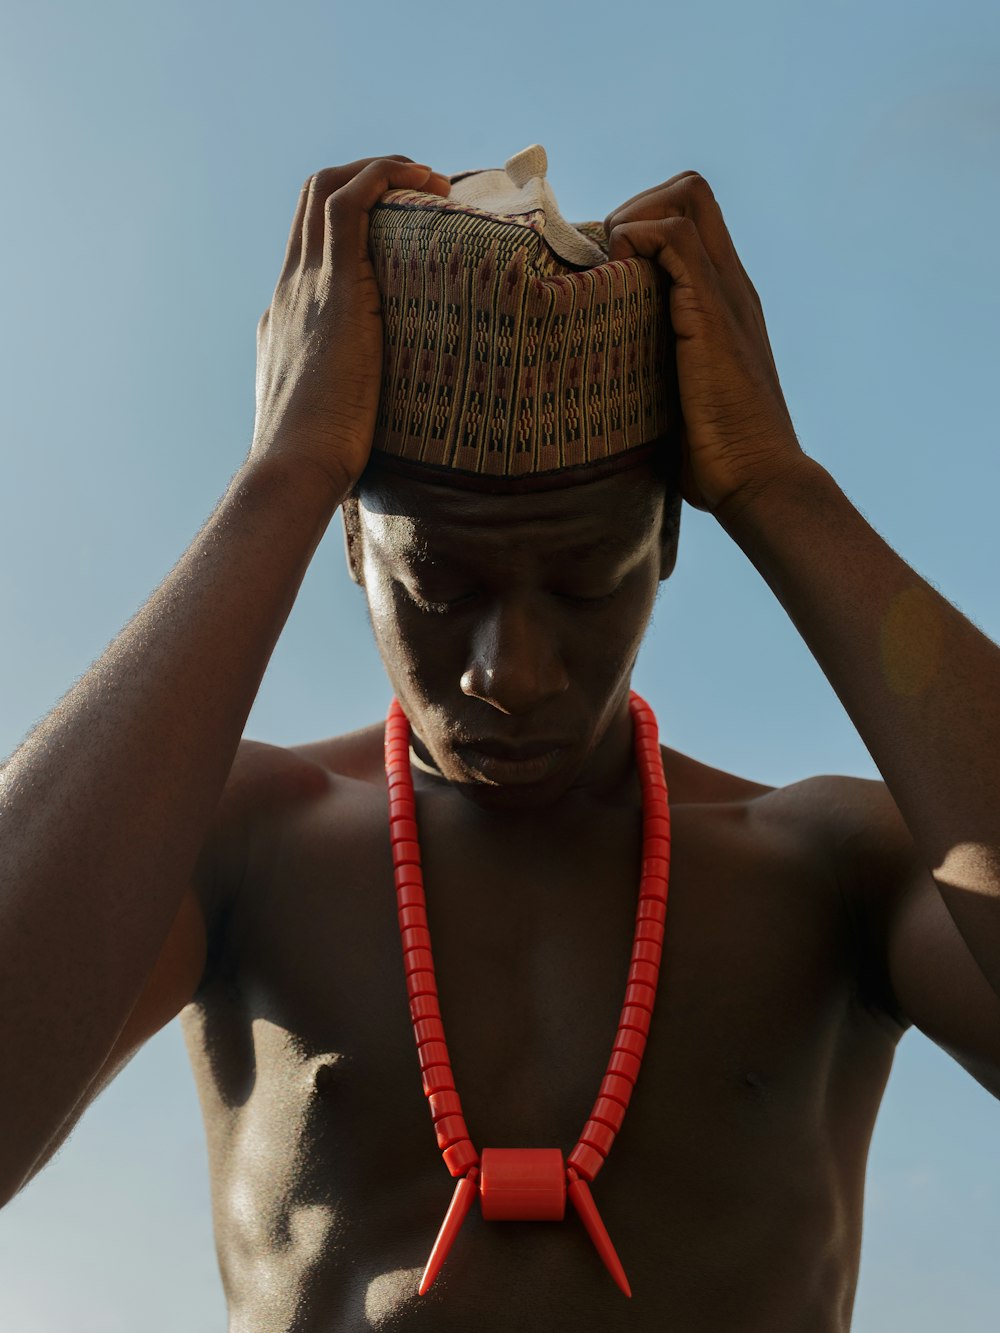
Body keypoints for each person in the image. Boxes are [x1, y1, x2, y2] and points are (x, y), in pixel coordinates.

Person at [1, 145, 998, 1333]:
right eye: (441, 583)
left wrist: (781, 488)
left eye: (584, 582)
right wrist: (279, 479)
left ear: (668, 547)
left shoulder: (832, 865)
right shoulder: (240, 848)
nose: (509, 672)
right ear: (355, 549)